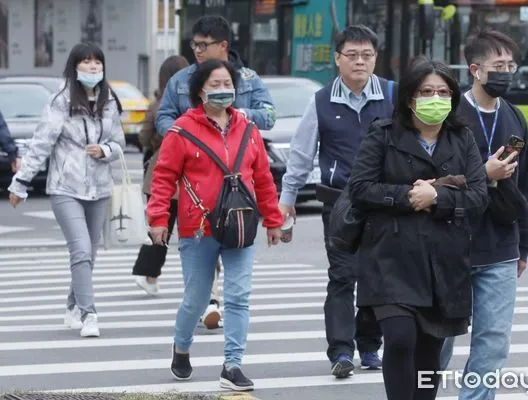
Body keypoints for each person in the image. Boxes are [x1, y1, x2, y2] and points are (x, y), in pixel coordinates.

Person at [345, 56, 489, 400]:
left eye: (442, 91)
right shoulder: (383, 134)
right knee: (399, 338)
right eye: (427, 91)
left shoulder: (462, 138)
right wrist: (409, 196)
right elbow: (360, 188)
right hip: (390, 259)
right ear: (411, 97)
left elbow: (479, 195)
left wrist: (437, 197)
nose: (435, 98)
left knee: (429, 350)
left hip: (443, 262)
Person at [146, 59, 283, 390]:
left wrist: (274, 219)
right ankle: (181, 347)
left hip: (240, 226)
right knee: (196, 298)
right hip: (198, 228)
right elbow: (164, 178)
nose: (223, 90)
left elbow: (263, 178)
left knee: (238, 295)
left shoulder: (248, 130)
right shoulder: (181, 130)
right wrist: (158, 219)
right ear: (199, 90)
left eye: (227, 84)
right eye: (216, 84)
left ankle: (232, 366)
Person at [278, 25, 396, 378]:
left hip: (385, 202)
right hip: (340, 205)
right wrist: (288, 201)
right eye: (352, 55)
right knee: (343, 277)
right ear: (337, 58)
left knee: (379, 277)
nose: (360, 61)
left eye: (367, 55)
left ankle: (370, 346)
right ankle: (342, 352)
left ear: (375, 57)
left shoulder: (392, 94)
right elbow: (301, 154)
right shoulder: (322, 100)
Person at [150, 15, 276, 329]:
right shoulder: (181, 80)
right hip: (191, 179)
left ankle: (230, 350)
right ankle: (172, 286)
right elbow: (163, 117)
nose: (198, 51)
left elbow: (269, 116)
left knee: (236, 278)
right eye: (195, 45)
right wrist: (183, 136)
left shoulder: (248, 79)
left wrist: (233, 117)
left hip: (236, 191)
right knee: (189, 258)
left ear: (223, 46)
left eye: (205, 45)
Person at [439, 27, 528, 400]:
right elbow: (433, 172)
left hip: (500, 247)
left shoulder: (515, 118)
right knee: (439, 341)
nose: (506, 72)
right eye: (499, 65)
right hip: (450, 243)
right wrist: (484, 172)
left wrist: (524, 245)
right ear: (475, 69)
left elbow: (525, 186)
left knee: (493, 342)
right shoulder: (450, 112)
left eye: (511, 65)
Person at [7, 42, 125, 338]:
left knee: (90, 253)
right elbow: (41, 143)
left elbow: (119, 141)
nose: (93, 67)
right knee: (81, 249)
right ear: (75, 67)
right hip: (65, 187)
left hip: (100, 188)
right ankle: (89, 314)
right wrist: (20, 182)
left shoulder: (109, 100)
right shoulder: (60, 100)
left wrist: (106, 149)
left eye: (97, 62)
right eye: (87, 62)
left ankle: (73, 305)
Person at [132, 55, 189, 295]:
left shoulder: (158, 106)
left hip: (162, 174)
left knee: (159, 227)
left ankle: (150, 276)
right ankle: (206, 278)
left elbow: (143, 138)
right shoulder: (194, 105)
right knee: (198, 231)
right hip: (190, 176)